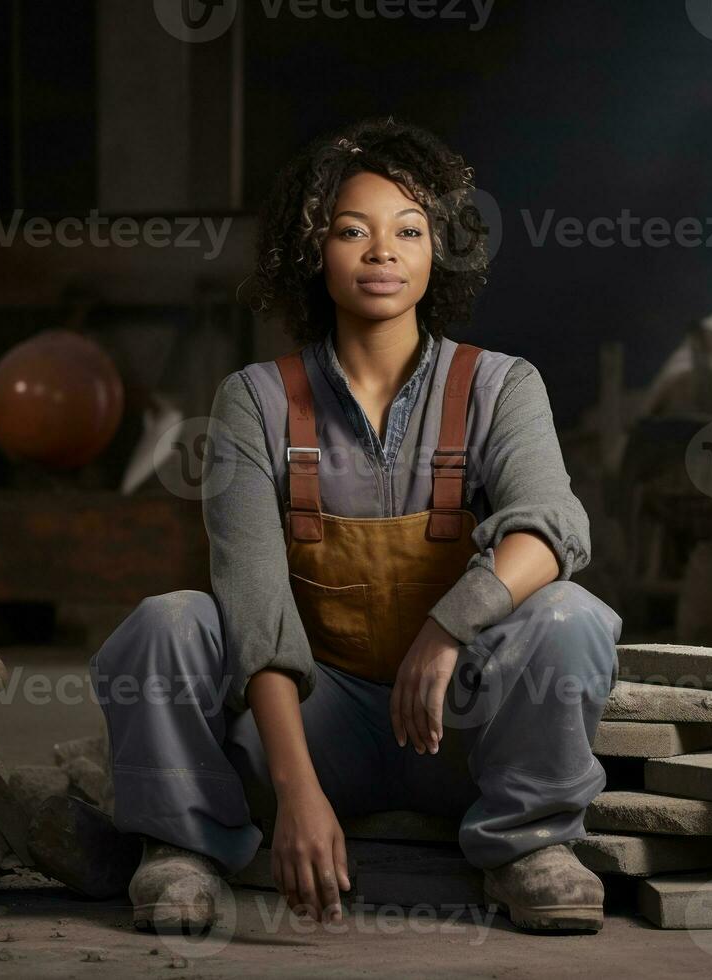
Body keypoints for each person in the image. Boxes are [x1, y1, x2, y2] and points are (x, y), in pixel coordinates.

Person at [90, 117, 623, 935]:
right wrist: (299, 793)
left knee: (569, 614)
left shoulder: (499, 385)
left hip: (456, 726)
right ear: (312, 253)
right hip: (314, 726)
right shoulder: (256, 402)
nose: (382, 252)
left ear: (437, 249)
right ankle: (182, 850)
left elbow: (552, 527)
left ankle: (532, 847)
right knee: (169, 622)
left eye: (408, 230)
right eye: (352, 231)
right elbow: (253, 604)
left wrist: (447, 628)